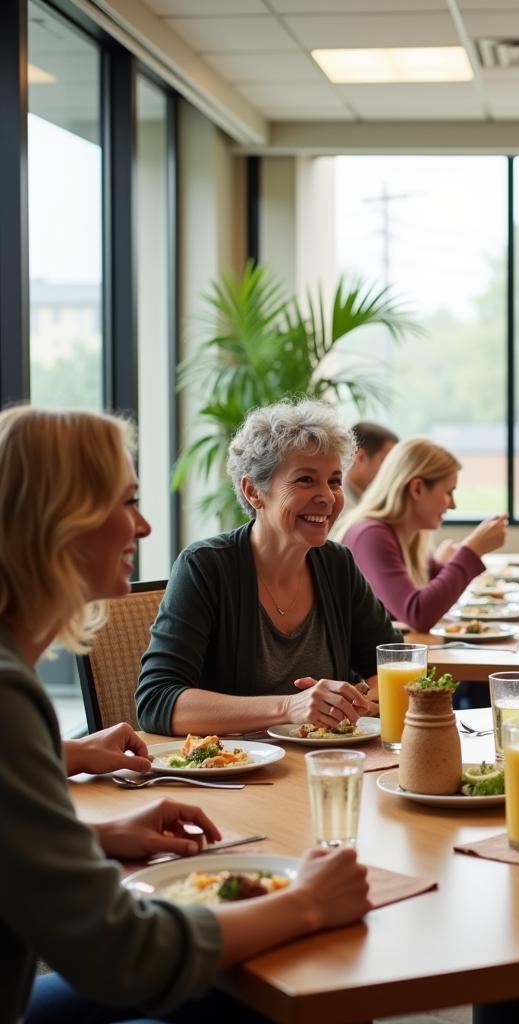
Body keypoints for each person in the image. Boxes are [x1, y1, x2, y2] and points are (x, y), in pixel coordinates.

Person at [0, 406, 370, 1024]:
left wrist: (95, 837)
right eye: (124, 502)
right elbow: (123, 953)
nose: (143, 527)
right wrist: (305, 902)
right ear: (54, 523)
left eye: (334, 481)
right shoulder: (10, 696)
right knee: (254, 998)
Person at [136, 400, 402, 736]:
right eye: (306, 480)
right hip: (233, 778)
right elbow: (156, 701)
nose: (327, 496)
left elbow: (393, 663)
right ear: (253, 492)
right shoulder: (206, 566)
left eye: (334, 481)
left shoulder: (338, 564)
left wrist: (352, 701)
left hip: (325, 763)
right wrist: (290, 706)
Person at [338, 437, 508, 632]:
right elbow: (418, 614)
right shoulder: (370, 535)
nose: (453, 504)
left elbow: (434, 587)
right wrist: (471, 551)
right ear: (417, 488)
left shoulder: (407, 536)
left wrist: (454, 560)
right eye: (449, 492)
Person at [343, 421, 398, 508]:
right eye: (387, 462)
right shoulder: (335, 503)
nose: (392, 471)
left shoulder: (381, 503)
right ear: (360, 457)